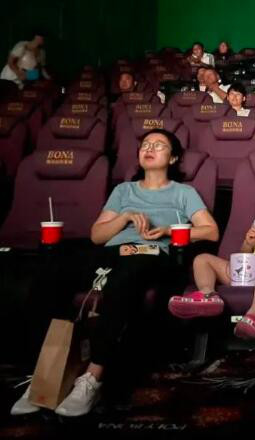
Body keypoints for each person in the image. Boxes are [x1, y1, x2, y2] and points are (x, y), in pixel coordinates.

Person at [11, 129, 219, 417]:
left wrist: (169, 230)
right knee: (51, 273)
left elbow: (211, 230)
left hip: (151, 254)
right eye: (145, 144)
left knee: (124, 279)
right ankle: (43, 376)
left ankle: (93, 377)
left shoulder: (184, 193)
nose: (149, 148)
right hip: (111, 252)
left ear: (173, 158)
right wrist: (124, 217)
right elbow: (97, 235)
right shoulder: (123, 191)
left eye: (159, 145)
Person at [168, 167, 255, 339]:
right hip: (252, 268)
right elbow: (245, 254)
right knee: (202, 259)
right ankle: (208, 295)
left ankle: (251, 316)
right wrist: (248, 243)